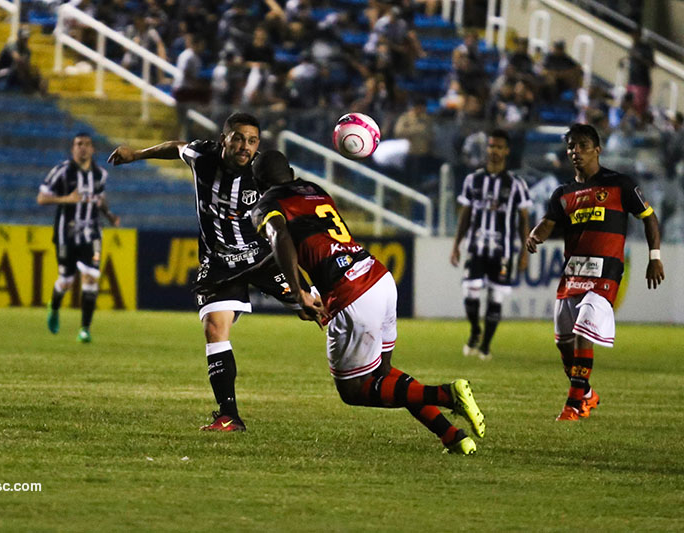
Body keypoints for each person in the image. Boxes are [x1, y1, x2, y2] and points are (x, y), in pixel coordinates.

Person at [250, 150, 486, 455]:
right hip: (377, 276)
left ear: (258, 184)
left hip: (350, 292)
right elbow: (291, 247)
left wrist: (298, 292)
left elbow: (280, 238)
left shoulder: (266, 204)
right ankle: (452, 436)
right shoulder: (313, 190)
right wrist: (243, 276)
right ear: (292, 173)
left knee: (352, 390)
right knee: (383, 374)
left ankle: (446, 394)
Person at [107, 113, 310, 432]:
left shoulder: (261, 171)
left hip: (263, 258)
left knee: (317, 309)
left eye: (252, 141)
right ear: (223, 139)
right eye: (238, 138)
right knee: (214, 328)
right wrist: (137, 154)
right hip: (220, 263)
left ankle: (369, 364)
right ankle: (229, 416)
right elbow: (176, 147)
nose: (245, 147)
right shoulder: (202, 156)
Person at [525, 123, 665, 421]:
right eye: (571, 146)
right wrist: (535, 235)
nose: (576, 151)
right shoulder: (563, 193)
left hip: (605, 273)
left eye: (583, 146)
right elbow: (548, 222)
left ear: (597, 150)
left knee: (582, 332)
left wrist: (654, 257)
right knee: (564, 342)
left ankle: (573, 405)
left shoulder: (620, 184)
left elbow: (649, 218)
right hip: (572, 273)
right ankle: (587, 394)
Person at [450, 129, 532, 360]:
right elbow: (465, 214)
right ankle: (475, 330)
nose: (494, 151)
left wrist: (524, 252)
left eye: (499, 147)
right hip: (475, 247)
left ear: (506, 151)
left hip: (503, 251)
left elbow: (524, 220)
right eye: (491, 146)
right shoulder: (473, 180)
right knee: (470, 291)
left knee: (496, 296)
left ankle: (485, 345)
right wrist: (456, 245)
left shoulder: (516, 184)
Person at [37, 132, 120, 343]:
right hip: (66, 234)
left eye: (86, 144)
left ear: (92, 149)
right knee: (66, 281)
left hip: (92, 233)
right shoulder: (62, 171)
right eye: (78, 144)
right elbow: (42, 198)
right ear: (73, 148)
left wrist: (109, 215)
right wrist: (67, 199)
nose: (82, 147)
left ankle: (85, 329)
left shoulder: (100, 174)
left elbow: (100, 199)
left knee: (91, 277)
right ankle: (54, 306)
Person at [0, 27, 47, 95]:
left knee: (37, 74)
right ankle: (28, 90)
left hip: (15, 76)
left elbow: (26, 65)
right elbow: (17, 59)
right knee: (20, 65)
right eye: (23, 38)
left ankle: (38, 93)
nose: (25, 40)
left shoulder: (27, 51)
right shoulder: (11, 45)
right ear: (19, 37)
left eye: (26, 38)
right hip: (2, 74)